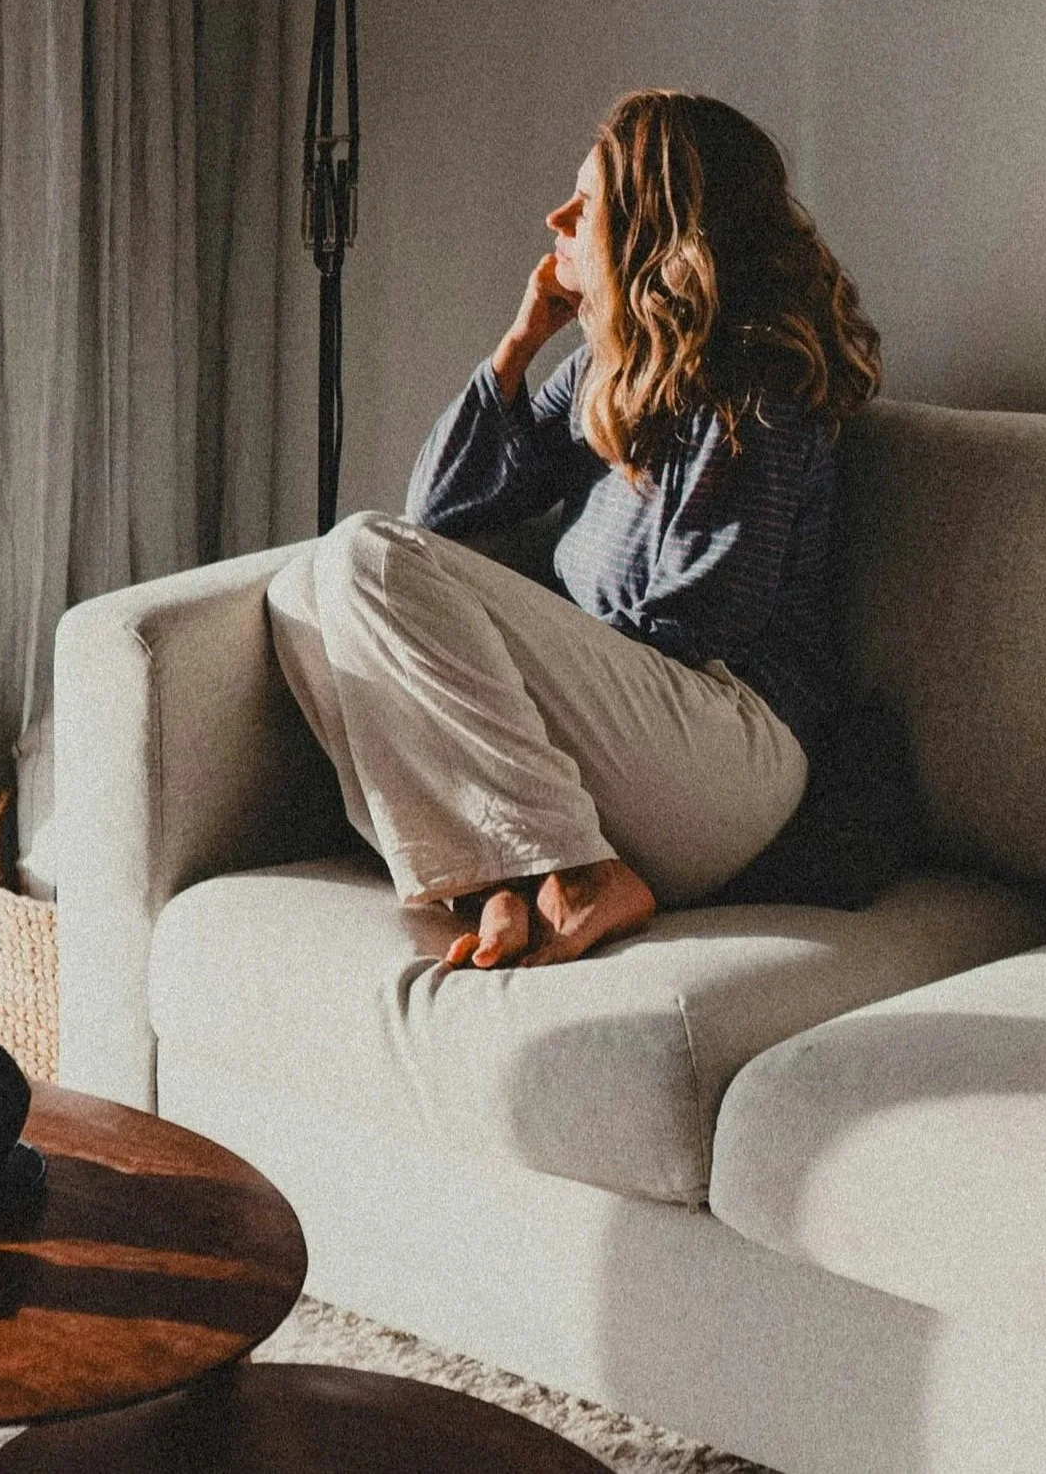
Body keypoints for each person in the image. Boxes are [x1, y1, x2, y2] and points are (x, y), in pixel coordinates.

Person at [266, 89, 882, 971]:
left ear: (646, 227)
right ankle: (495, 877)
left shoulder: (755, 387)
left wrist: (518, 647)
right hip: (638, 743)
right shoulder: (612, 372)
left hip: (735, 754)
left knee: (363, 552)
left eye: (585, 204)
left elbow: (702, 622)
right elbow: (444, 510)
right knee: (303, 592)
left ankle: (578, 871)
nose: (555, 218)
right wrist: (520, 343)